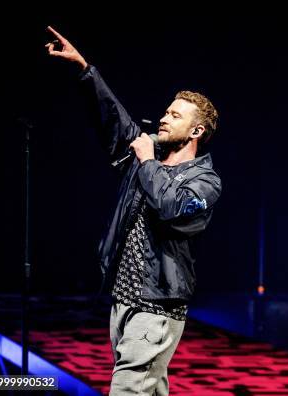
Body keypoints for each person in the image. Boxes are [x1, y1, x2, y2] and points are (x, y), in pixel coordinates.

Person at [45, 26, 222, 395]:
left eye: (175, 115)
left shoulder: (205, 181)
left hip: (157, 306)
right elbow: (112, 116)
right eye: (166, 111)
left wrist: (146, 163)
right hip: (123, 302)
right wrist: (83, 67)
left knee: (127, 389)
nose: (163, 118)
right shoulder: (145, 157)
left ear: (196, 131)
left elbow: (172, 207)